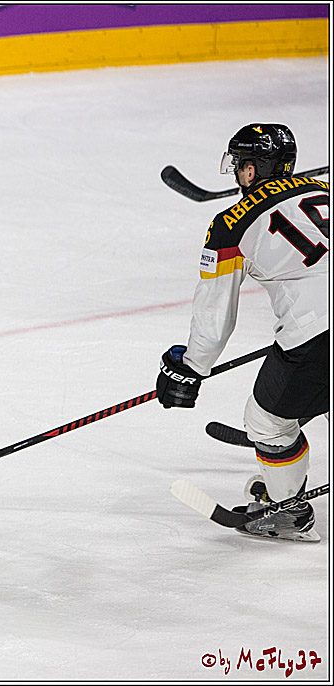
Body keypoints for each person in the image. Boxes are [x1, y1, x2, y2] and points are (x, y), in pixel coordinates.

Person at [156, 123, 329, 542]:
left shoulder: (230, 224)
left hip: (317, 332)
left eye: (238, 165)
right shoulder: (325, 191)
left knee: (267, 422)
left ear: (251, 171)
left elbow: (216, 316)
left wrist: (190, 367)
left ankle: (287, 512)